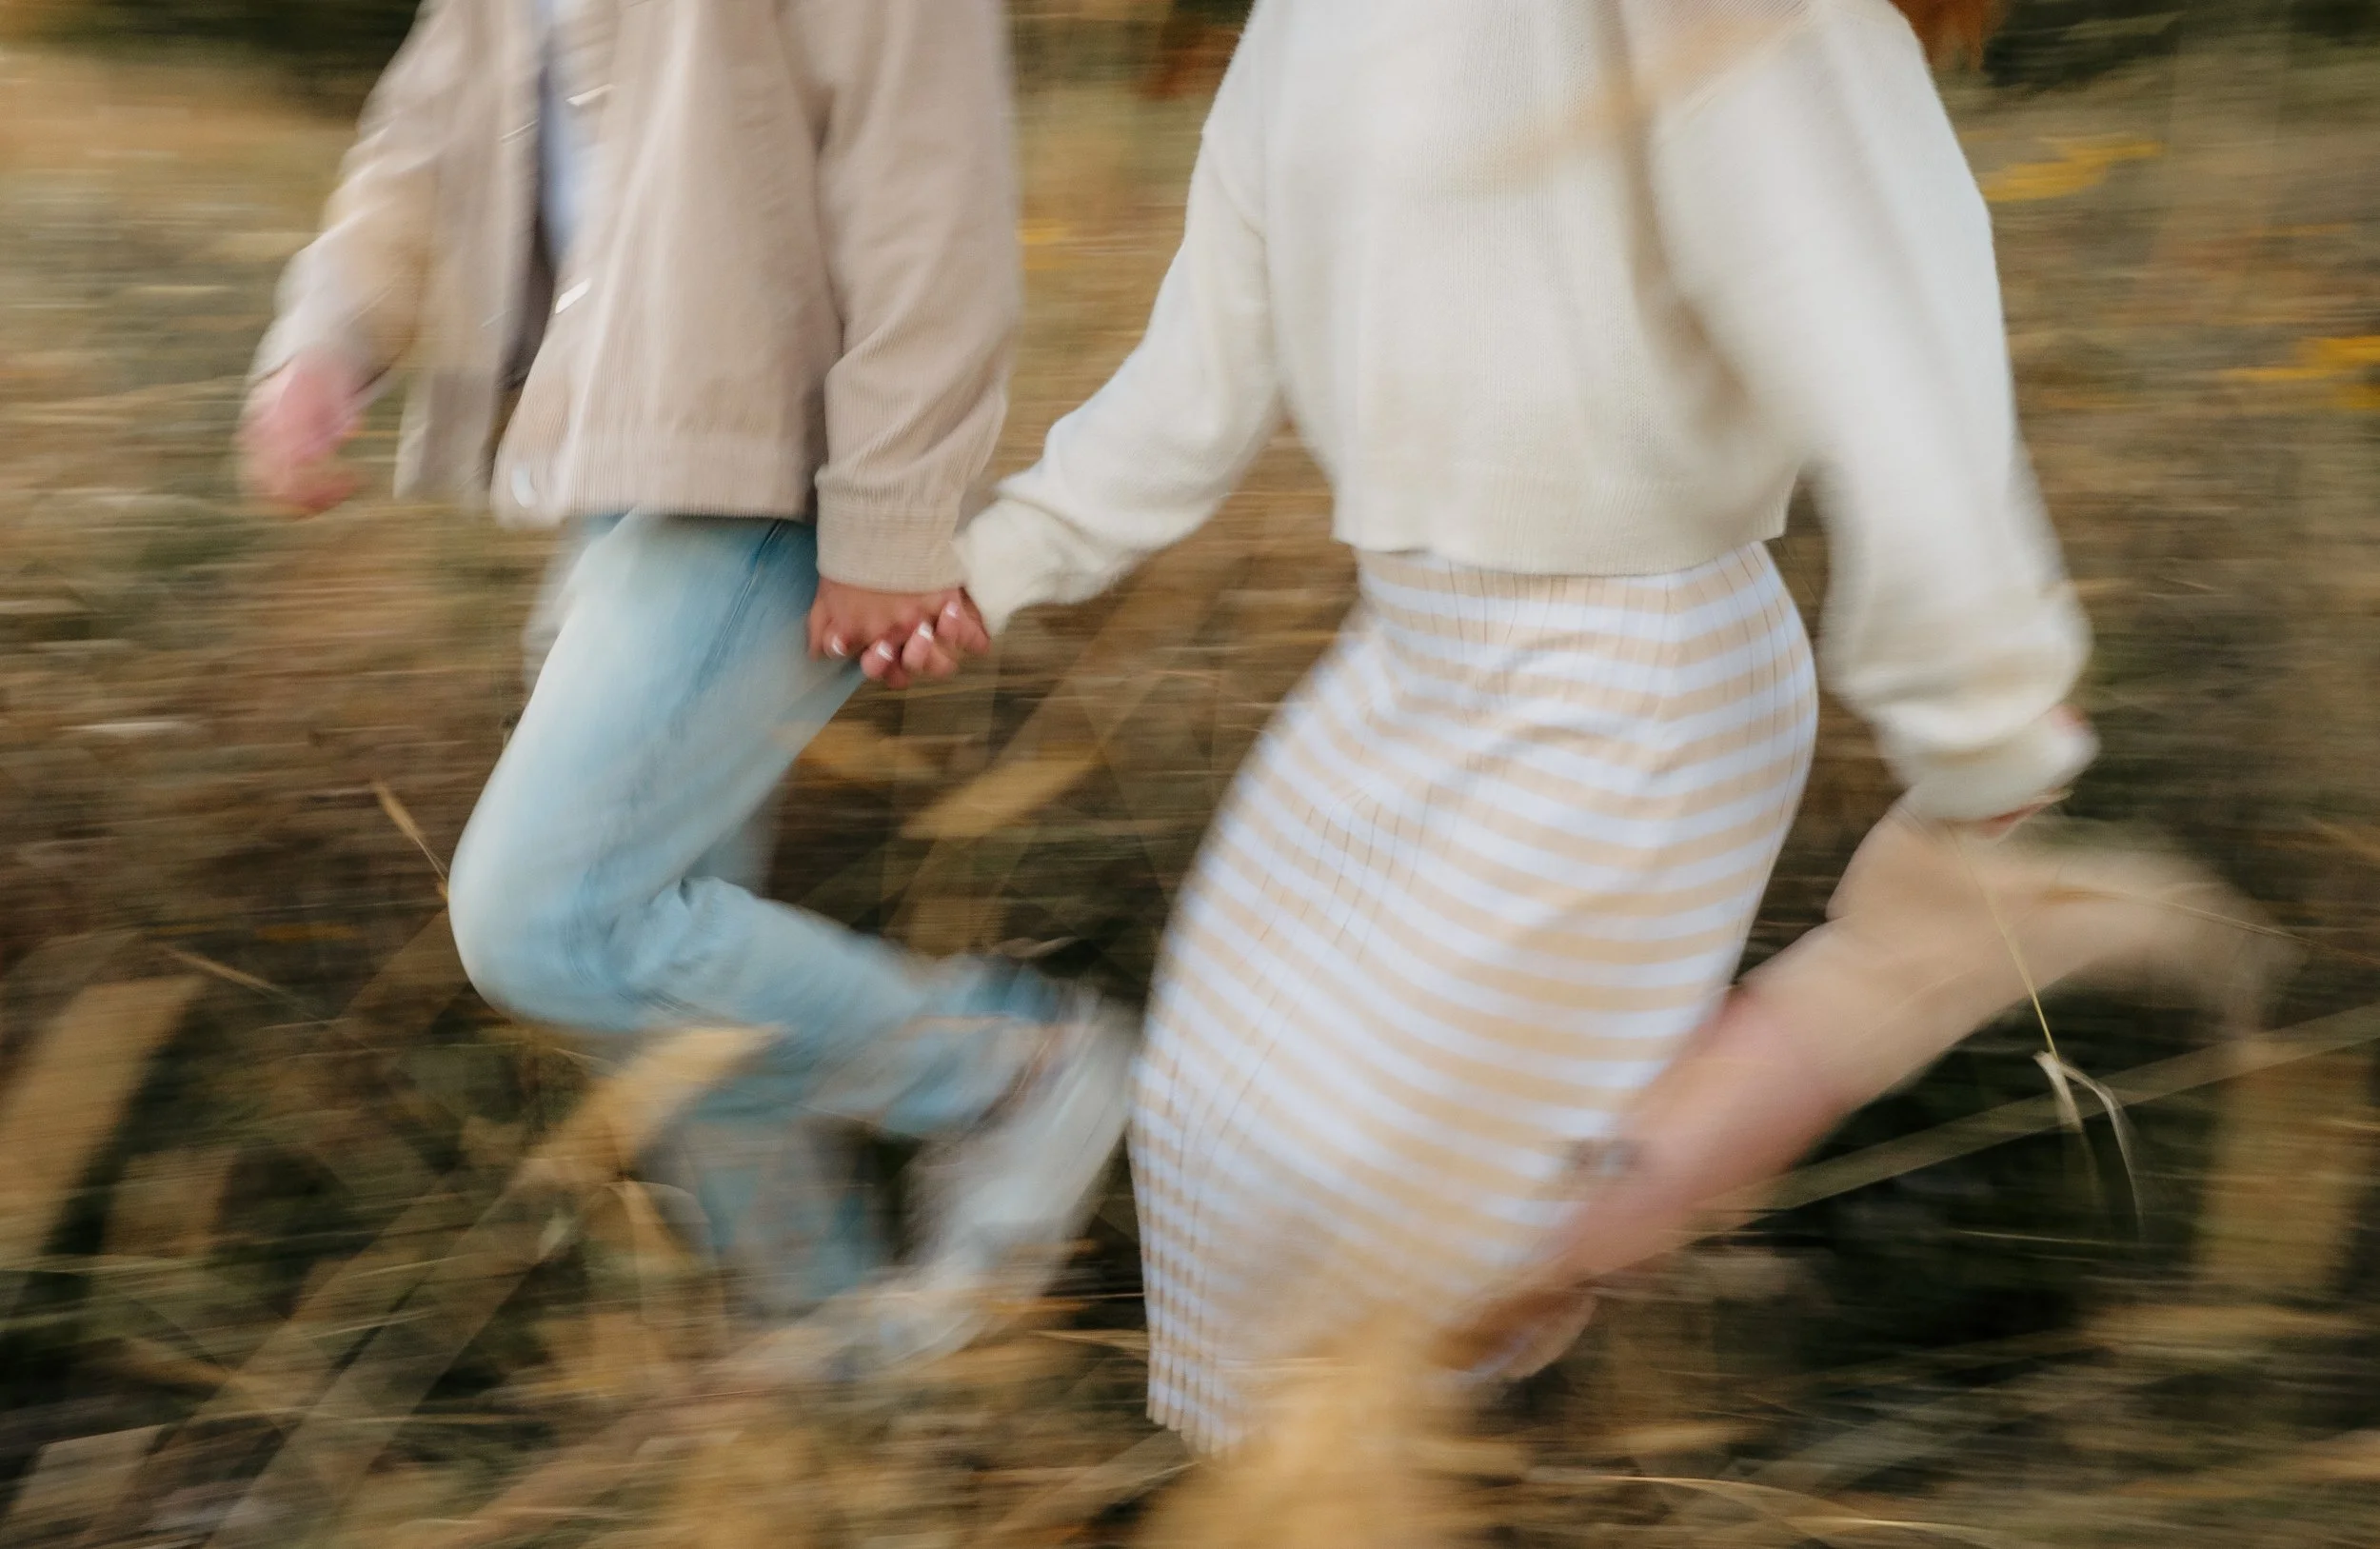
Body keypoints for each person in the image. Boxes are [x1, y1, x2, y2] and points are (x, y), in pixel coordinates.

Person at [950, 0, 2275, 1450]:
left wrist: (1980, 712)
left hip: (1630, 679)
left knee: (1452, 1236)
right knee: (1219, 1133)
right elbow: (1197, 371)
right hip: (1402, 658)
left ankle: (1895, 971)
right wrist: (994, 564)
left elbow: (1886, 340)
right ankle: (1317, 1482)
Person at [237, 0, 1131, 1366]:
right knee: (669, 962)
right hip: (620, 457)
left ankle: (1019, 1073)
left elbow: (927, 184)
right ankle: (838, 1367)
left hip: (774, 459)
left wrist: (893, 514)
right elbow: (431, 127)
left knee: (556, 921)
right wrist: (327, 338)